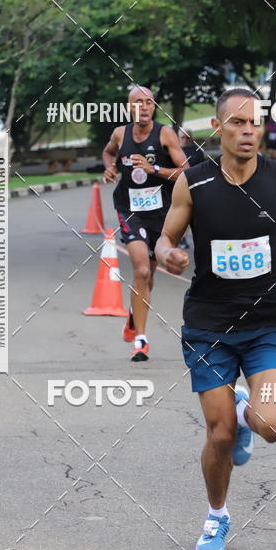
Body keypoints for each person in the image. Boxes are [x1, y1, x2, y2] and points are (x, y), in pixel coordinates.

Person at [155, 88, 276, 550]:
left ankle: (247, 410)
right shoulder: (194, 182)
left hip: (266, 324)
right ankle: (217, 516)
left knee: (273, 426)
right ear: (218, 128)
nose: (249, 131)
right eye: (238, 123)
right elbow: (166, 236)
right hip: (208, 327)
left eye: (255, 122)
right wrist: (169, 255)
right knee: (220, 434)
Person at [102, 86, 188, 361]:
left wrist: (155, 170)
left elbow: (187, 172)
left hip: (162, 212)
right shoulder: (120, 134)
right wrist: (110, 167)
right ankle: (140, 339)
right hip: (129, 209)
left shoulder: (165, 134)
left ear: (154, 107)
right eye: (138, 102)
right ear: (130, 108)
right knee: (140, 269)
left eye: (149, 102)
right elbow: (108, 153)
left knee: (149, 275)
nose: (144, 107)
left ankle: (133, 315)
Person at [177, 129, 205, 248]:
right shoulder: (174, 151)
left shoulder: (196, 151)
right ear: (178, 138)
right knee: (180, 213)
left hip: (194, 185)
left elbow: (203, 168)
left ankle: (184, 238)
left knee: (192, 214)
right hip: (177, 185)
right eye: (182, 137)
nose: (185, 140)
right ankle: (176, 237)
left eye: (187, 137)